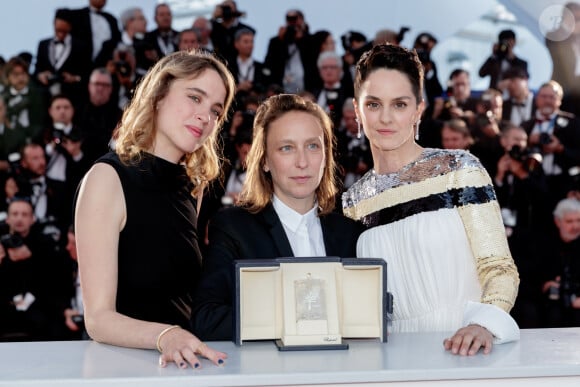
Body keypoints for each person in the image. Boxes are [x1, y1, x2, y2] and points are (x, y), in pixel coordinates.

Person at [342, 43, 520, 356]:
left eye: (399, 104)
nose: (385, 118)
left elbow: (499, 268)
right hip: (391, 360)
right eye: (373, 104)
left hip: (467, 352)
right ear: (357, 110)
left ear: (418, 110)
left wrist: (483, 324)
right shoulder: (353, 202)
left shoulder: (458, 170)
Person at [73, 50, 236, 368]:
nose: (206, 117)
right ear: (159, 96)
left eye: (216, 110)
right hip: (122, 369)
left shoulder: (192, 187)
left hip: (183, 366)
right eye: (194, 97)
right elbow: (98, 319)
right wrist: (166, 336)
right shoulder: (107, 178)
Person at [191, 94, 365, 341]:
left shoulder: (350, 232)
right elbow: (207, 319)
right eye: (287, 148)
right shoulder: (234, 228)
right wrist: (302, 315)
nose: (302, 162)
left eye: (313, 146)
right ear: (264, 161)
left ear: (326, 156)